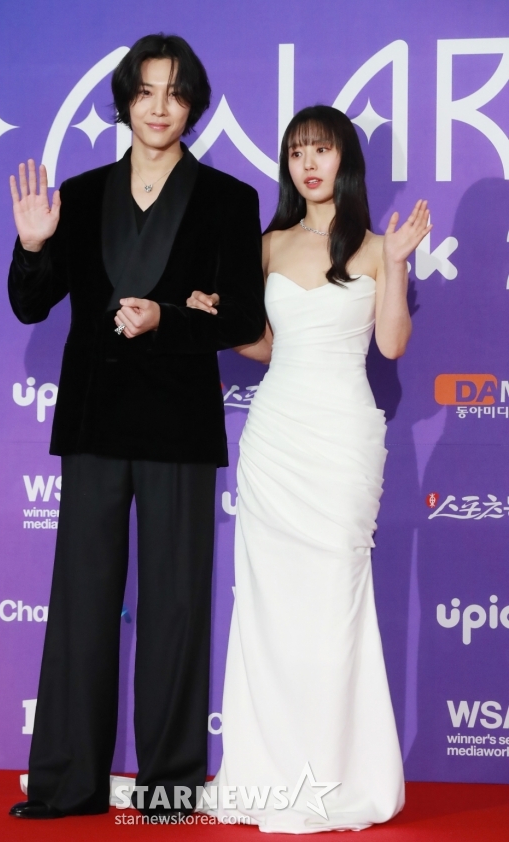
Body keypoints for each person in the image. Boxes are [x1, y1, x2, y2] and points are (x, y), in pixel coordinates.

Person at [7, 33, 265, 820]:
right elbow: (30, 304)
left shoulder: (228, 200)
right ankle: (68, 782)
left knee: (176, 608)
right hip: (94, 421)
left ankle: (170, 786)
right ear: (125, 101)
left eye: (175, 93)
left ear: (194, 105)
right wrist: (31, 245)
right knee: (81, 605)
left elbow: (244, 322)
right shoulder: (81, 195)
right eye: (146, 91)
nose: (159, 107)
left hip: (179, 426)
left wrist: (171, 319)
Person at [187, 105, 431, 832]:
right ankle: (265, 772)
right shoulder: (267, 245)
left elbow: (390, 346)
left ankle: (335, 772)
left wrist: (396, 264)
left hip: (343, 437)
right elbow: (266, 346)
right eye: (296, 153)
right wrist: (216, 320)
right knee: (269, 606)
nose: (308, 164)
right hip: (276, 436)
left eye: (320, 150)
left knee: (333, 599)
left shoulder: (378, 246)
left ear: (344, 159)